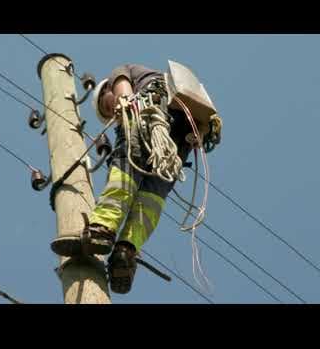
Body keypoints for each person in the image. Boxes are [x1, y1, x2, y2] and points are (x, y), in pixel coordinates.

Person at [52, 63, 219, 294]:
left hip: (147, 115)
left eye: (107, 105)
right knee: (150, 200)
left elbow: (121, 77)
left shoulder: (126, 75)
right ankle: (126, 251)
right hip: (175, 143)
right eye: (108, 113)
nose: (112, 112)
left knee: (125, 169)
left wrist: (125, 100)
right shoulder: (175, 89)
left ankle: (102, 229)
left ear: (106, 90)